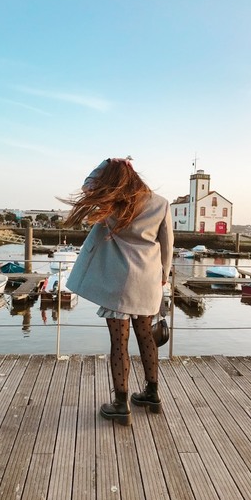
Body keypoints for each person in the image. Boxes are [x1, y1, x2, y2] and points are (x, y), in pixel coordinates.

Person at [63, 157, 174, 426]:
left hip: (117, 283)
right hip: (148, 283)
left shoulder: (112, 204)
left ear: (113, 178)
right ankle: (152, 394)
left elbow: (88, 184)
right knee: (146, 337)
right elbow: (167, 246)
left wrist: (105, 164)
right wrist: (162, 276)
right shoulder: (161, 204)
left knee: (119, 344)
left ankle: (121, 403)